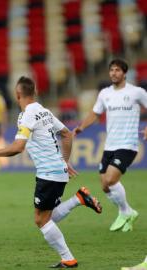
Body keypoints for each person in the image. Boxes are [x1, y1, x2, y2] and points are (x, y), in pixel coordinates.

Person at [0, 76, 102, 268]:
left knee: (41, 220)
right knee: (48, 217)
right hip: (56, 171)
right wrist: (64, 161)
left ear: (17, 94)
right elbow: (67, 134)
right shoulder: (44, 112)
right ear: (35, 92)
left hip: (49, 174)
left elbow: (18, 147)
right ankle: (79, 199)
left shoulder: (28, 114)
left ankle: (68, 258)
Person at [73, 59, 147, 232]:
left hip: (127, 144)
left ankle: (126, 212)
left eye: (117, 70)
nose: (114, 73)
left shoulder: (136, 92)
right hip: (109, 145)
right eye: (111, 70)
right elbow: (95, 113)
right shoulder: (105, 94)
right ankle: (127, 213)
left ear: (124, 73)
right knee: (105, 185)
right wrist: (81, 127)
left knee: (111, 179)